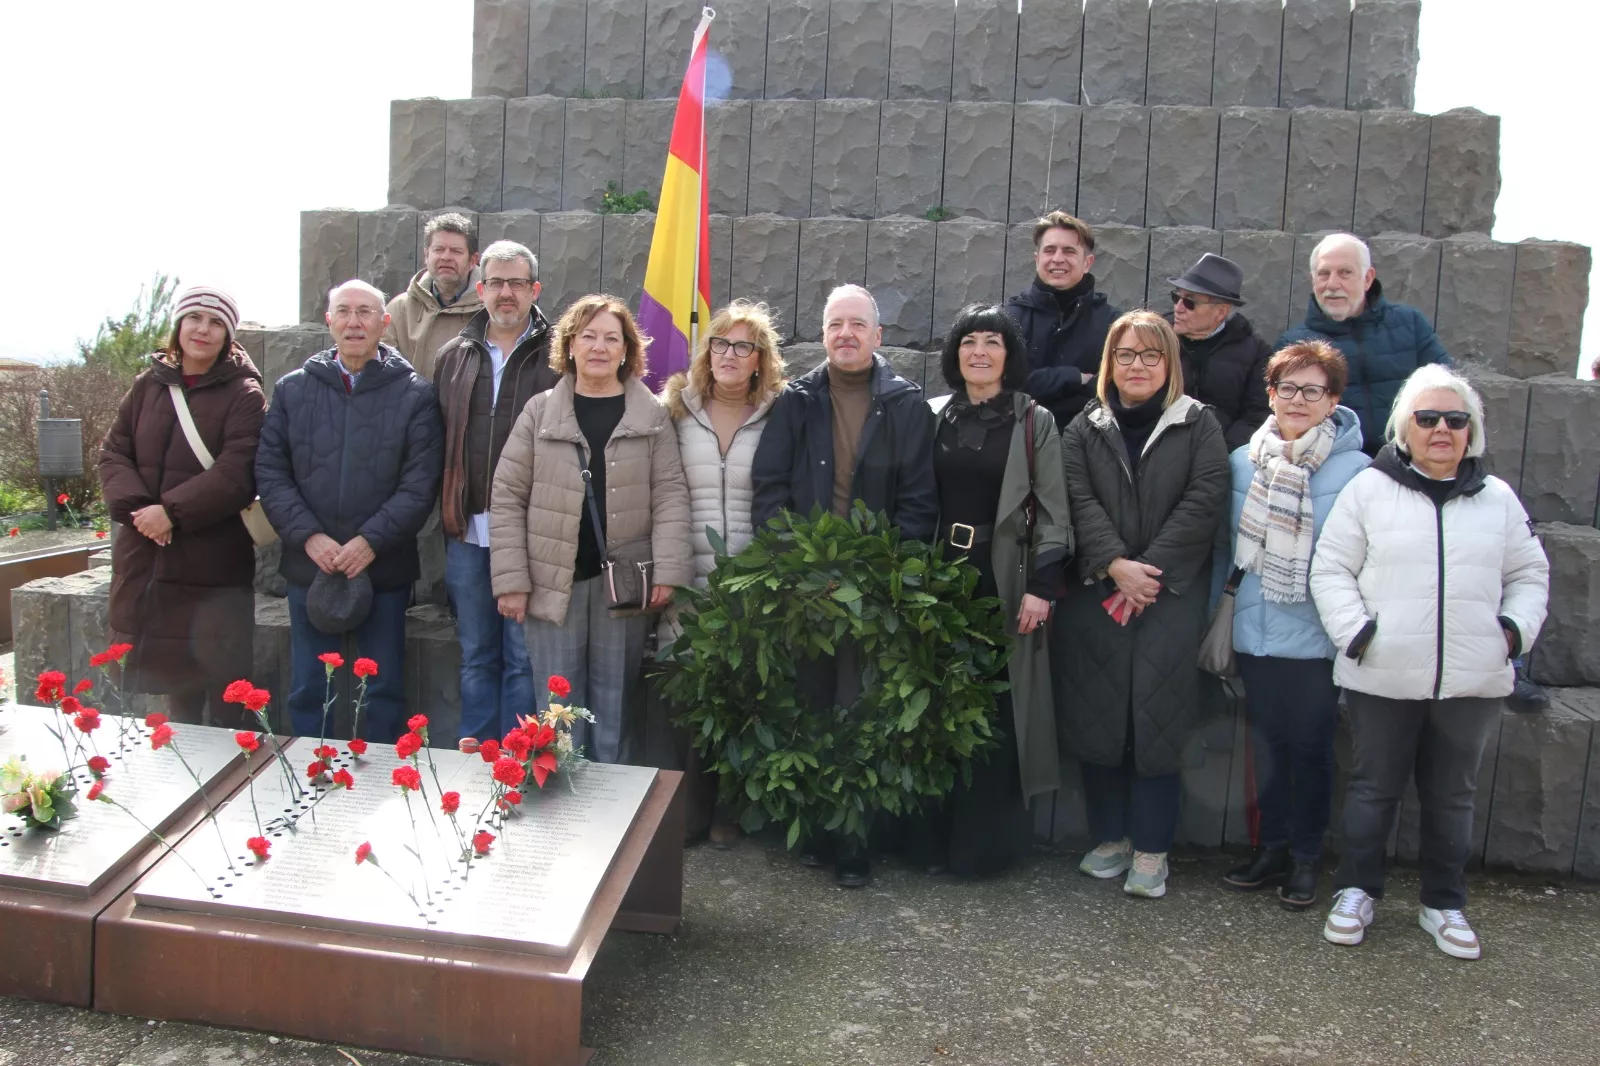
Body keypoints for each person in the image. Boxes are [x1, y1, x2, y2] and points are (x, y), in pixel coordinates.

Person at [1311, 364, 1548, 960]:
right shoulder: (1368, 488)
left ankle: (1443, 902)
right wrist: (1357, 633)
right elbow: (1331, 569)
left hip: (1473, 679)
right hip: (1383, 673)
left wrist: (1512, 634)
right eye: (1427, 418)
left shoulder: (1497, 499)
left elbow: (1529, 574)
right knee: (1373, 789)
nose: (1442, 429)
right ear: (1404, 427)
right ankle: (1357, 891)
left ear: (1472, 432)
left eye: (1455, 420)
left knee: (1452, 796)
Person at [750, 283, 938, 887]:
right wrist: (797, 568)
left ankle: (855, 839)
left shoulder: (905, 404)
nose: (846, 334)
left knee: (861, 710)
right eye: (835, 324)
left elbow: (918, 502)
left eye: (858, 324)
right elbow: (770, 490)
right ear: (822, 333)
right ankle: (817, 827)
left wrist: (878, 575)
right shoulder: (797, 401)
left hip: (873, 589)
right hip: (807, 588)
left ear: (878, 336)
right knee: (811, 704)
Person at [1055, 310, 1230, 899]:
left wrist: (1148, 573)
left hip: (1168, 596)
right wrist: (1114, 565)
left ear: (1169, 364)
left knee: (1159, 721)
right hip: (1099, 593)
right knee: (1100, 716)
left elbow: (1205, 499)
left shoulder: (1198, 423)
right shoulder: (1084, 425)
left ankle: (1152, 849)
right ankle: (1110, 838)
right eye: (1126, 355)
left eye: (1150, 355)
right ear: (1110, 363)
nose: (1137, 366)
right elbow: (1076, 497)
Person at [489, 294, 692, 765]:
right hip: (550, 583)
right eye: (588, 336)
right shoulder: (540, 413)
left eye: (611, 338)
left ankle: (609, 816)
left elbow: (670, 494)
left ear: (626, 350)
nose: (599, 347)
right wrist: (512, 582)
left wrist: (669, 572)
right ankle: (562, 807)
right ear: (570, 344)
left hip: (621, 585)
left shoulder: (651, 416)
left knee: (613, 703)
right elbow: (507, 497)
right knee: (557, 708)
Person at [1216, 340, 1370, 908]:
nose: (1298, 400)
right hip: (1257, 631)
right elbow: (1226, 554)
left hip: (1315, 636)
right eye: (1287, 388)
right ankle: (1272, 847)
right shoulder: (1242, 461)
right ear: (1270, 395)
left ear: (1333, 401)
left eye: (1313, 390)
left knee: (1310, 750)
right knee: (1269, 747)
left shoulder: (1358, 471)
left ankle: (1306, 859)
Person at [256, 280, 443, 741]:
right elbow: (270, 473)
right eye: (344, 311)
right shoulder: (293, 390)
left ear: (384, 322)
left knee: (382, 688)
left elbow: (420, 484)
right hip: (309, 565)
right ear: (329, 321)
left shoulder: (416, 395)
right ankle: (309, 774)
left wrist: (369, 542)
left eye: (365, 312)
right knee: (309, 688)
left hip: (382, 568)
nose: (354, 322)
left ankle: (380, 785)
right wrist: (309, 537)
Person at [921, 304, 1071, 877]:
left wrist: (1041, 588)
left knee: (994, 714)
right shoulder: (933, 414)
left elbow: (1056, 513)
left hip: (1002, 581)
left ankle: (982, 852)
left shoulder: (1035, 422)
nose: (978, 351)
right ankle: (934, 843)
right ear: (954, 355)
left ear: (1010, 355)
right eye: (968, 342)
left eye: (992, 341)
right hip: (938, 578)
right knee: (937, 707)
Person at [98, 285, 266, 724]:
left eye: (215, 323)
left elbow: (237, 472)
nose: (203, 330)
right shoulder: (146, 387)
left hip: (212, 563)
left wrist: (170, 512)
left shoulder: (245, 394)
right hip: (149, 554)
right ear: (178, 325)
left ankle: (236, 777)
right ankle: (184, 782)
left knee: (225, 688)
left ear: (228, 334)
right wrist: (142, 513)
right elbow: (113, 454)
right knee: (176, 689)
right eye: (195, 319)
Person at [659, 300, 786, 846]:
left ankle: (729, 814)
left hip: (752, 579)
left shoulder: (782, 412)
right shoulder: (676, 410)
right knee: (688, 699)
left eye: (742, 347)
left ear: (760, 359)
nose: (729, 355)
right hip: (688, 575)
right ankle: (685, 815)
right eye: (720, 344)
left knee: (743, 696)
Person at [433, 240, 560, 745]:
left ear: (535, 289)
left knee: (523, 657)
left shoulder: (559, 356)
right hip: (466, 531)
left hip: (532, 535)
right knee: (476, 654)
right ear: (480, 289)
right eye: (497, 283)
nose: (506, 293)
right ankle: (478, 757)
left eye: (517, 283)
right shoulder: (453, 356)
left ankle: (520, 762)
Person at [1277, 234, 1449, 457]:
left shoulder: (1411, 325)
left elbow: (1446, 388)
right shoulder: (1294, 344)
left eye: (1345, 273)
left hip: (1410, 461)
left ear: (1368, 279)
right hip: (1332, 465)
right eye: (1323, 274)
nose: (1332, 284)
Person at [1004, 211, 1121, 430]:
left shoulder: (1113, 323)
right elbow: (1005, 384)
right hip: (1019, 440)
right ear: (1037, 258)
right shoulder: (1009, 319)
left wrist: (1038, 383)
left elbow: (1111, 390)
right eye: (1049, 250)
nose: (1058, 258)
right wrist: (1074, 377)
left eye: (1069, 251)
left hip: (1089, 442)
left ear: (1087, 262)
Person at [1165, 253, 1273, 450]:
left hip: (1223, 456)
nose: (1178, 308)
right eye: (1176, 297)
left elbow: (1258, 414)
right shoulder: (1157, 337)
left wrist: (1219, 452)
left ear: (1221, 311)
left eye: (1190, 302)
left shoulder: (1256, 352)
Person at [384, 213, 485, 381]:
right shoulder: (399, 309)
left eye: (456, 251)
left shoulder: (489, 309)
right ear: (426, 255)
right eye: (438, 249)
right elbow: (383, 370)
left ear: (472, 260)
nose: (446, 257)